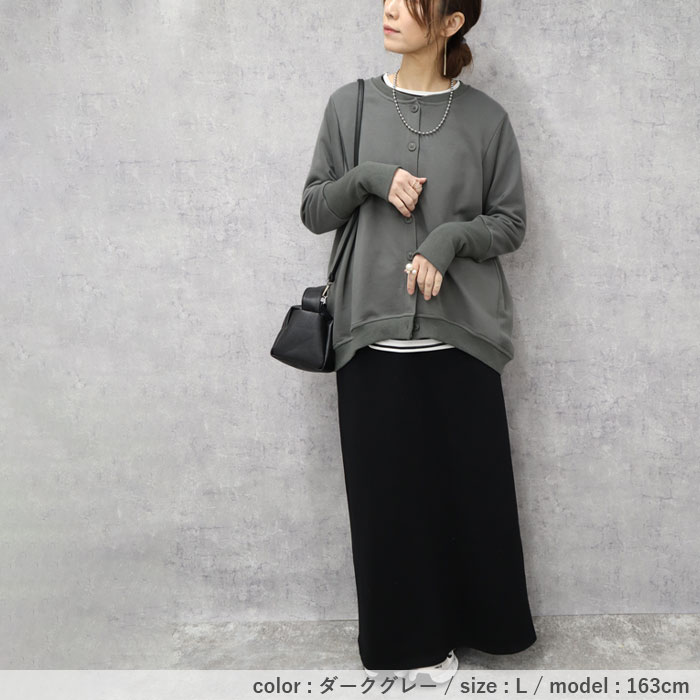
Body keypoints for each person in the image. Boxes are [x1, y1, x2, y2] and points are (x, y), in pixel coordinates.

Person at [299, 0, 537, 683]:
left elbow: (510, 223)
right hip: (370, 337)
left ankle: (481, 633)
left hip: (463, 339)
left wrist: (450, 238)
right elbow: (314, 209)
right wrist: (369, 178)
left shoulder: (487, 120)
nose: (390, 9)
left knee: (470, 497)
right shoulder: (349, 106)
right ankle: (409, 652)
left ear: (451, 22)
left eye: (412, 2)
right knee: (387, 506)